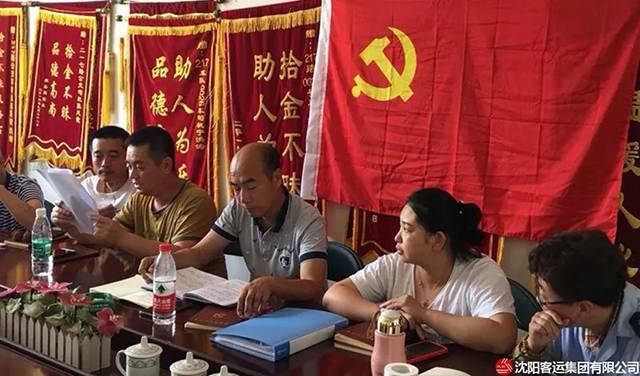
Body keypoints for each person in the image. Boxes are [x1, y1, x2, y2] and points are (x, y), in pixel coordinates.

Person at [138, 142, 327, 319]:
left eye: (251, 187)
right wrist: (164, 262)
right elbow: (200, 253)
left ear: (277, 179)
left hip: (302, 317)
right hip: (258, 312)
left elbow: (313, 286)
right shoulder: (238, 208)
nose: (243, 198)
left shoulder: (308, 219)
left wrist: (271, 284)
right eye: (236, 189)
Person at [323, 187, 517, 355]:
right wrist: (383, 315)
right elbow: (333, 295)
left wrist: (424, 314)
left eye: (407, 230)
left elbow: (503, 337)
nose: (397, 237)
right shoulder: (395, 264)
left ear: (437, 240)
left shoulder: (481, 272)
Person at [69, 126, 223, 274]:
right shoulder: (140, 198)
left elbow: (182, 257)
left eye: (140, 167)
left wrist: (122, 237)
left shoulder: (195, 201)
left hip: (194, 287)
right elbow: (107, 237)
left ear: (166, 166)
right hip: (150, 282)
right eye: (129, 167)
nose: (132, 175)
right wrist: (70, 226)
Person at [515, 230, 640, 368]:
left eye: (545, 301)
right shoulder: (563, 316)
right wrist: (533, 346)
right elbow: (514, 367)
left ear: (583, 308)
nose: (541, 304)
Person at [52, 126, 135, 242]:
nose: (105, 163)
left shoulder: (138, 189)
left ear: (128, 157)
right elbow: (81, 236)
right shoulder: (86, 186)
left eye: (113, 156)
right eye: (98, 156)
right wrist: (63, 219)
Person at [0, 150, 44, 231]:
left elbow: (37, 222)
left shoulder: (24, 184)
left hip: (21, 239)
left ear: (1, 161)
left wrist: (1, 190)